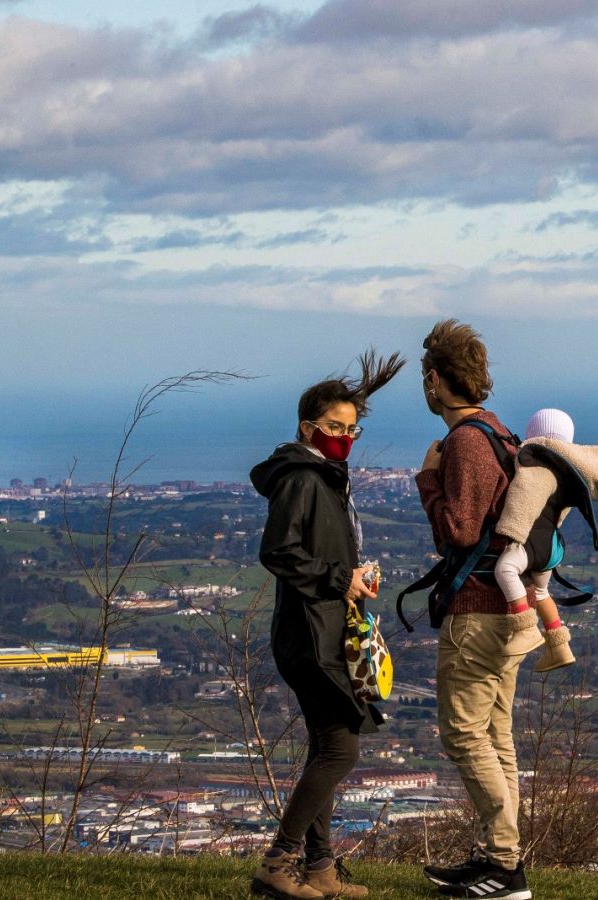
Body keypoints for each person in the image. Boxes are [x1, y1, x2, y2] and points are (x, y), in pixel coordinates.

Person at [249, 350, 405, 900]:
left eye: (351, 429)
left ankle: (318, 868)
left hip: (321, 629)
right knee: (343, 747)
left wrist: (352, 577)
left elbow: (317, 554)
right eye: (333, 427)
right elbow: (279, 551)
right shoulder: (303, 478)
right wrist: (340, 578)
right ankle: (278, 861)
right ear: (306, 427)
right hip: (309, 636)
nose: (343, 437)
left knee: (327, 745)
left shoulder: (324, 475)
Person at [414, 319, 538, 900]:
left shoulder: (465, 442)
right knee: (496, 733)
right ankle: (499, 860)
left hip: (479, 611)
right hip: (509, 608)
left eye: (426, 378)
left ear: (436, 381)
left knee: (465, 734)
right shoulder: (501, 434)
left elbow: (459, 531)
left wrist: (428, 481)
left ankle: (505, 865)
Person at [491, 408, 598, 673]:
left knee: (505, 569)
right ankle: (559, 646)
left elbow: (523, 496)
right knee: (540, 592)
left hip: (532, 542)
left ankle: (525, 629)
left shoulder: (538, 463)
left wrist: (511, 532)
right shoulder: (568, 470)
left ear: (533, 434)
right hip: (552, 545)